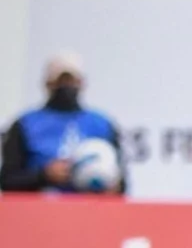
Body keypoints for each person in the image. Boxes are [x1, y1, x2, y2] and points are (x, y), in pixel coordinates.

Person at [0, 53, 128, 195]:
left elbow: (122, 183)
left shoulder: (103, 125)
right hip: (42, 206)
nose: (66, 86)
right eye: (61, 80)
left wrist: (106, 183)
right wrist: (44, 176)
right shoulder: (25, 125)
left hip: (88, 207)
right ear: (48, 84)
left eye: (71, 80)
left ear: (81, 83)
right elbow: (7, 180)